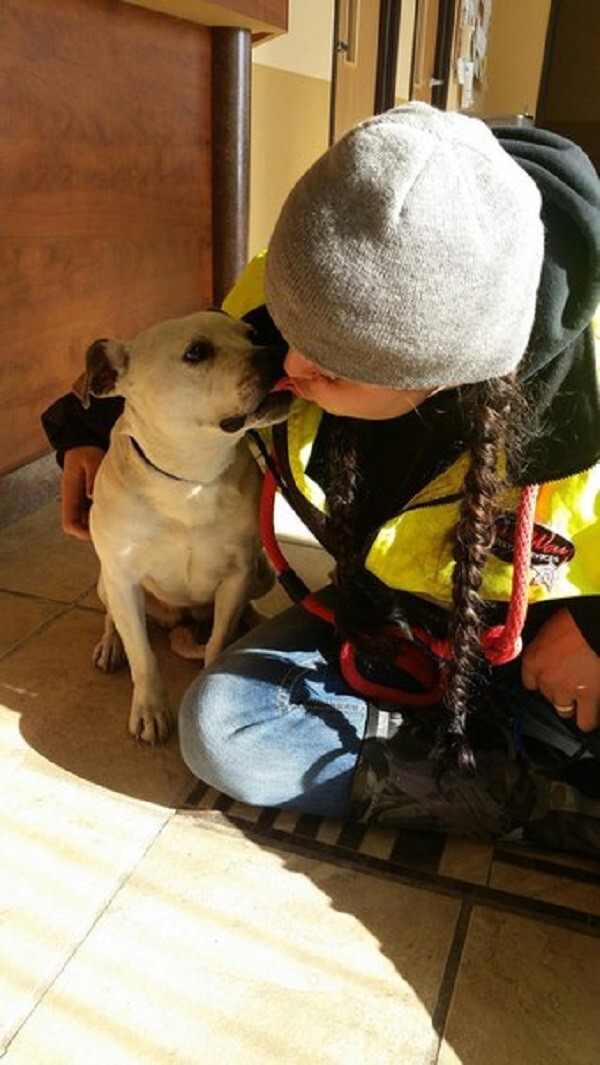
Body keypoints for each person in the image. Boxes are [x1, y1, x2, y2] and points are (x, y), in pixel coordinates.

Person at [43, 104, 600, 853]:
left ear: (438, 373)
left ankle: (507, 767)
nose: (289, 367)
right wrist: (81, 436)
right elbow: (172, 356)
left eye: (331, 364)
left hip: (540, 645)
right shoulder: (308, 279)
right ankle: (491, 780)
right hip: (387, 622)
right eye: (287, 331)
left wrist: (594, 629)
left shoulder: (582, 381)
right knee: (222, 730)